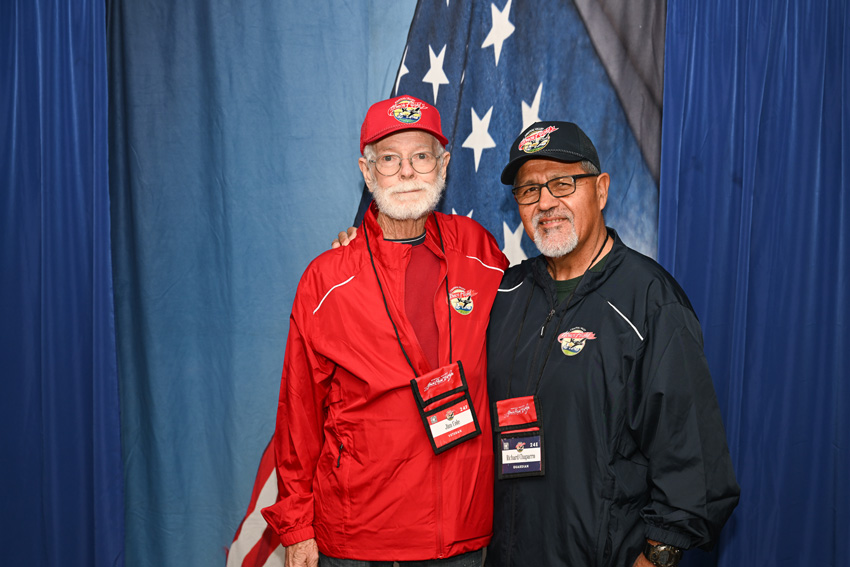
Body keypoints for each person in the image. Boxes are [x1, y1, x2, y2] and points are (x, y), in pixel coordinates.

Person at [261, 94, 508, 567]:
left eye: (421, 156)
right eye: (390, 160)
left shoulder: (480, 252)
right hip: (359, 540)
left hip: (460, 534)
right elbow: (299, 415)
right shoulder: (327, 278)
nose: (408, 172)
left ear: (444, 164)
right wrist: (297, 527)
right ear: (367, 171)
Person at [485, 121, 740, 567]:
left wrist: (656, 557)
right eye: (529, 191)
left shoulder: (650, 302)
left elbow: (693, 467)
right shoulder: (504, 296)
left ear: (600, 190)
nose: (545, 202)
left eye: (562, 183)